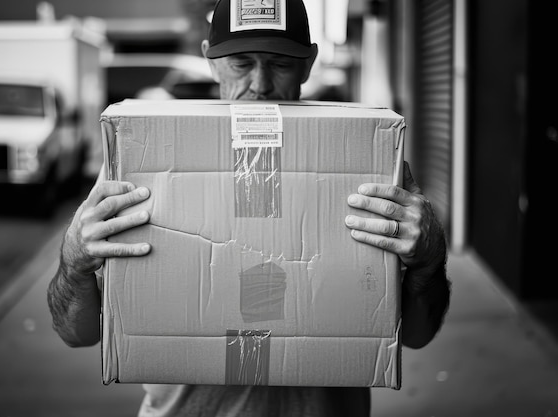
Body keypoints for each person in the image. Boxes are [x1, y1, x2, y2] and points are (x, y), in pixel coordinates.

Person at [47, 0, 451, 415]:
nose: (260, 83)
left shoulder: (364, 161)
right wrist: (74, 260)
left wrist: (429, 261)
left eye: (279, 63)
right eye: (241, 63)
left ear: (308, 63)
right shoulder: (143, 158)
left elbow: (417, 335)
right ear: (210, 59)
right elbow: (75, 334)